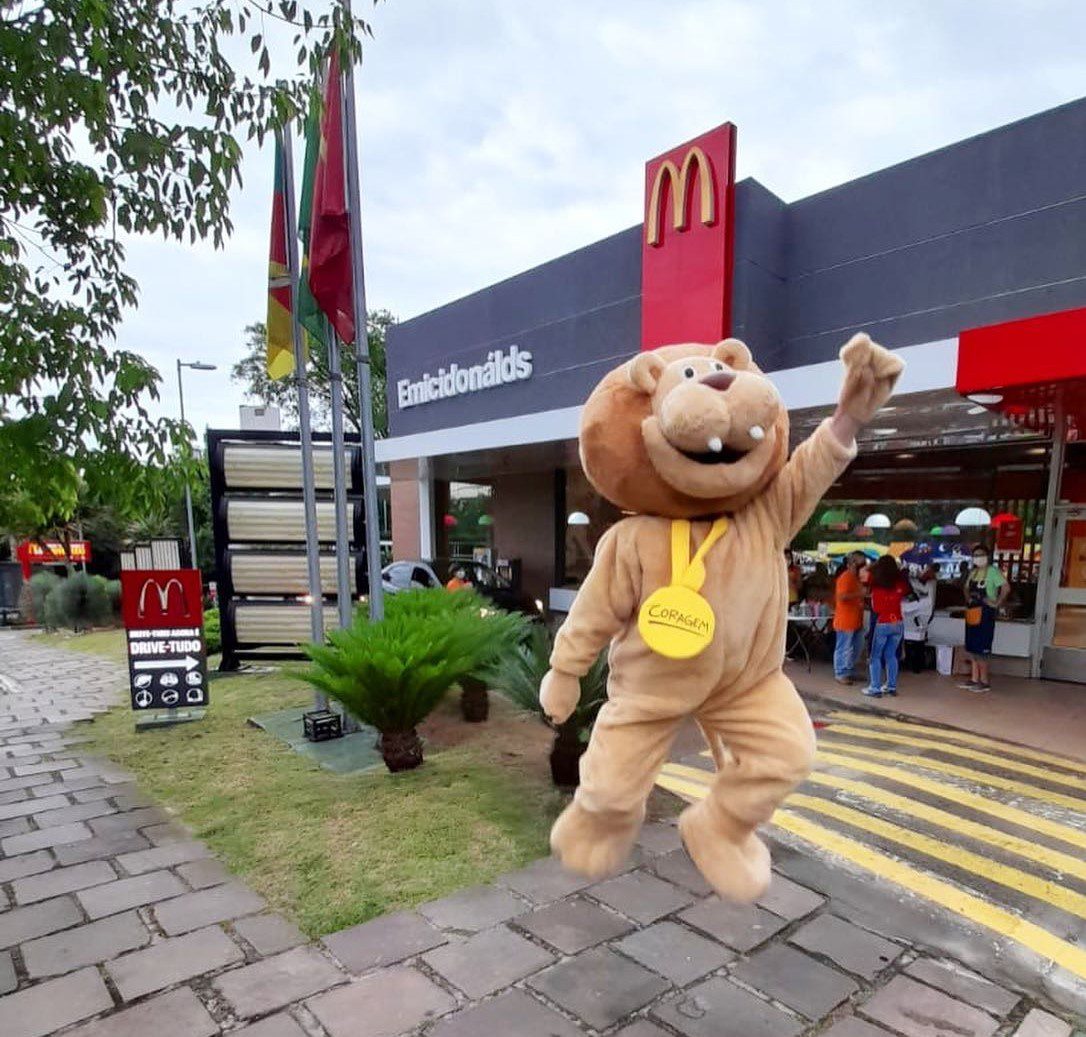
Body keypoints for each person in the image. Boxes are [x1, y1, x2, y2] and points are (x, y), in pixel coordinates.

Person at [960, 544, 1010, 692]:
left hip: (986, 613)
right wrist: (968, 599)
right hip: (972, 612)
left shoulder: (993, 572)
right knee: (972, 647)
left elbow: (1006, 587)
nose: (978, 558)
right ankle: (974, 679)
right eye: (975, 555)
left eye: (981, 554)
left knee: (982, 649)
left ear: (987, 556)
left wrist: (996, 603)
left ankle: (984, 681)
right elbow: (966, 588)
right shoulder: (973, 572)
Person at [866, 555, 909, 697]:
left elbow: (876, 608)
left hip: (882, 623)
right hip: (898, 623)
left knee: (875, 656)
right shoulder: (900, 585)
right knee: (891, 655)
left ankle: (875, 688)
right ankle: (891, 686)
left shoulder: (877, 587)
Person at [833, 551, 867, 684]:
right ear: (852, 563)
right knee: (844, 647)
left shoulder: (857, 578)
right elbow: (841, 597)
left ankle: (849, 670)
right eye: (860, 562)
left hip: (856, 619)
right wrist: (859, 593)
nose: (863, 565)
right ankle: (840, 673)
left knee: (856, 647)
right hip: (845, 620)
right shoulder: (845, 578)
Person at [902, 564, 937, 673]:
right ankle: (913, 664)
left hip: (920, 617)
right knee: (916, 642)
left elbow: (922, 591)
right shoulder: (931, 585)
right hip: (920, 616)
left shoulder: (929, 587)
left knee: (916, 643)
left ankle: (915, 666)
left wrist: (910, 581)